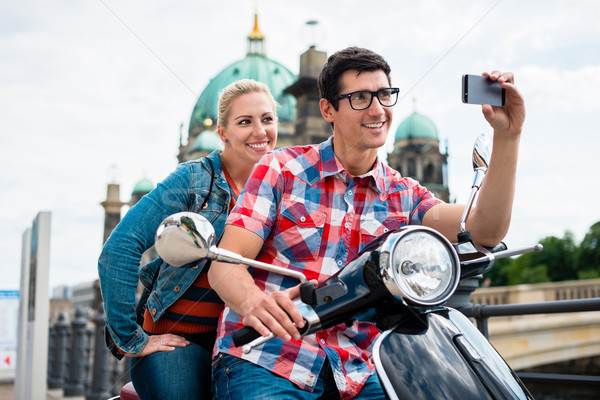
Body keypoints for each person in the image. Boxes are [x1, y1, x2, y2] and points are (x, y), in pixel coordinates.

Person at [208, 46, 525, 399]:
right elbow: (225, 265)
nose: (377, 110)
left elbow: (484, 228)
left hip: (358, 369)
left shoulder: (404, 194)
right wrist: (253, 301)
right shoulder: (281, 168)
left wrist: (508, 135)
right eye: (360, 97)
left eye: (384, 95)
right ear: (328, 109)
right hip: (268, 356)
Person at [97, 78, 278, 400]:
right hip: (179, 339)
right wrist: (130, 338)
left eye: (267, 119)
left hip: (251, 341)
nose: (260, 132)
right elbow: (119, 249)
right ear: (222, 133)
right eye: (245, 122)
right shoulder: (192, 179)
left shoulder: (288, 184)